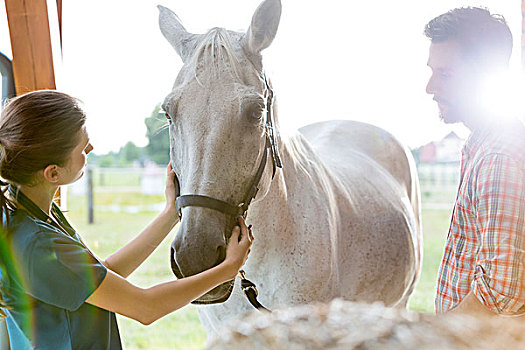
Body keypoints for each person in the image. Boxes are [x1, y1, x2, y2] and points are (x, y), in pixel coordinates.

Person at [0, 90, 253, 349]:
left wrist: (170, 214)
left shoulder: (31, 214)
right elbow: (146, 307)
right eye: (82, 147)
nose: (91, 148)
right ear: (52, 173)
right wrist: (228, 268)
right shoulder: (39, 245)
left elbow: (104, 273)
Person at [425, 7, 525, 316]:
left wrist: (434, 339)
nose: (430, 87)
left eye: (446, 73)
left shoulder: (498, 156)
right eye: (432, 71)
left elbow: (498, 294)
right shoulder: (481, 143)